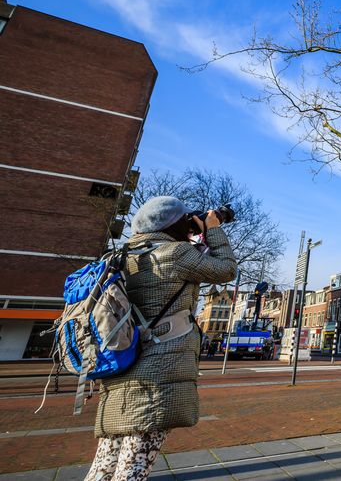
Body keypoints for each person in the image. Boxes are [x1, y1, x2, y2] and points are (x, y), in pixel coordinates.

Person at [84, 196, 237, 481]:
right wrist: (213, 228)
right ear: (175, 224)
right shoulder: (176, 253)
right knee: (134, 466)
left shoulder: (124, 254)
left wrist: (195, 235)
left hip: (122, 364)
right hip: (158, 371)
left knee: (105, 463)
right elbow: (226, 269)